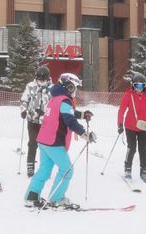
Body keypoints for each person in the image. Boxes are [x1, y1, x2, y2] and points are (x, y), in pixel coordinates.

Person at [24, 73, 95, 210]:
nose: (75, 90)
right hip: (53, 142)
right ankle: (56, 199)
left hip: (44, 140)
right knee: (67, 170)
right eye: (74, 87)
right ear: (68, 86)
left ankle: (31, 197)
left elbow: (67, 114)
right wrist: (84, 133)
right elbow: (69, 120)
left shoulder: (55, 98)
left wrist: (82, 114)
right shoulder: (64, 100)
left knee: (44, 170)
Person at [117, 73, 146, 182]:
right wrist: (120, 124)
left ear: (145, 86)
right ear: (133, 86)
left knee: (143, 149)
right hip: (130, 126)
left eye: (141, 86)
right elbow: (121, 110)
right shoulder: (128, 95)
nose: (139, 88)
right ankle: (127, 169)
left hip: (143, 126)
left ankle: (144, 171)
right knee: (132, 148)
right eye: (136, 86)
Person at [20, 65, 52, 177]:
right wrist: (23, 110)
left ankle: (45, 168)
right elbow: (24, 99)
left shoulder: (52, 89)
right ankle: (30, 165)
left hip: (46, 122)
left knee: (46, 145)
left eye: (43, 79)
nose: (41, 81)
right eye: (39, 79)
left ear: (48, 78)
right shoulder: (30, 86)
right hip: (32, 120)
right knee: (32, 143)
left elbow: (54, 104)